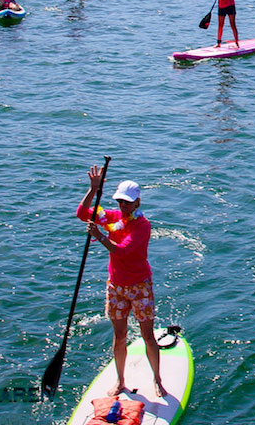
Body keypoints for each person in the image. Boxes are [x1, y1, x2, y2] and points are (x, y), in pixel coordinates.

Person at [76, 166, 166, 399]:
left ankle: (157, 380)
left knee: (147, 336)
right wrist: (93, 189)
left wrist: (99, 236)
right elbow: (82, 213)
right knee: (120, 336)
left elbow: (122, 251)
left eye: (128, 202)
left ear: (137, 202)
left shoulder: (142, 226)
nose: (123, 206)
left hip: (139, 286)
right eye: (120, 202)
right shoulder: (112, 217)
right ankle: (120, 381)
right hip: (115, 286)